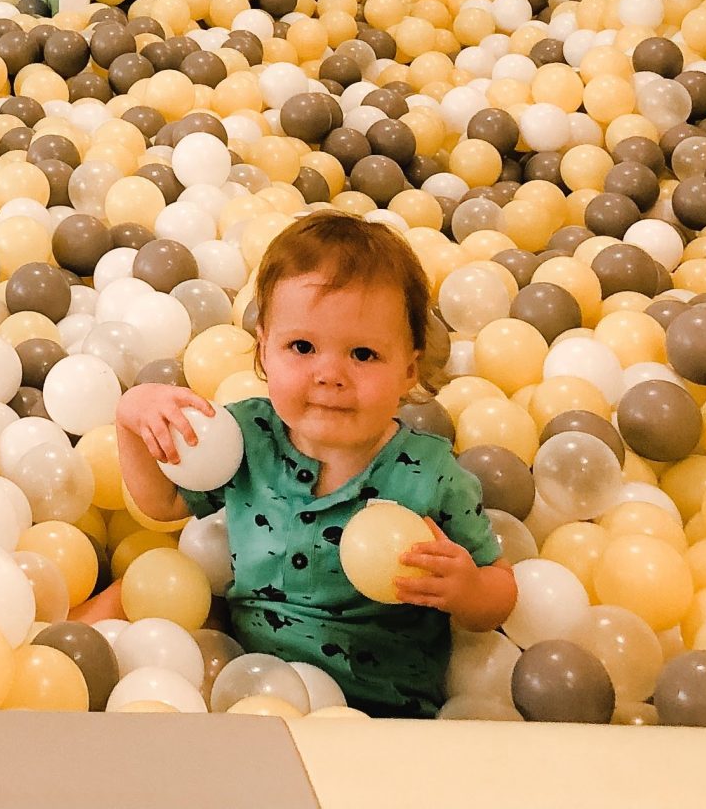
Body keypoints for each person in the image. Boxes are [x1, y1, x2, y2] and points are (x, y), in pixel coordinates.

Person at [103, 210, 516, 715]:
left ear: (408, 370)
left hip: (382, 712)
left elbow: (499, 588)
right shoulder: (243, 439)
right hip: (247, 689)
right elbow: (163, 503)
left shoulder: (430, 474)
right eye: (302, 347)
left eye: (363, 355)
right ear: (264, 353)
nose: (330, 374)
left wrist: (468, 590)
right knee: (134, 594)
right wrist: (130, 416)